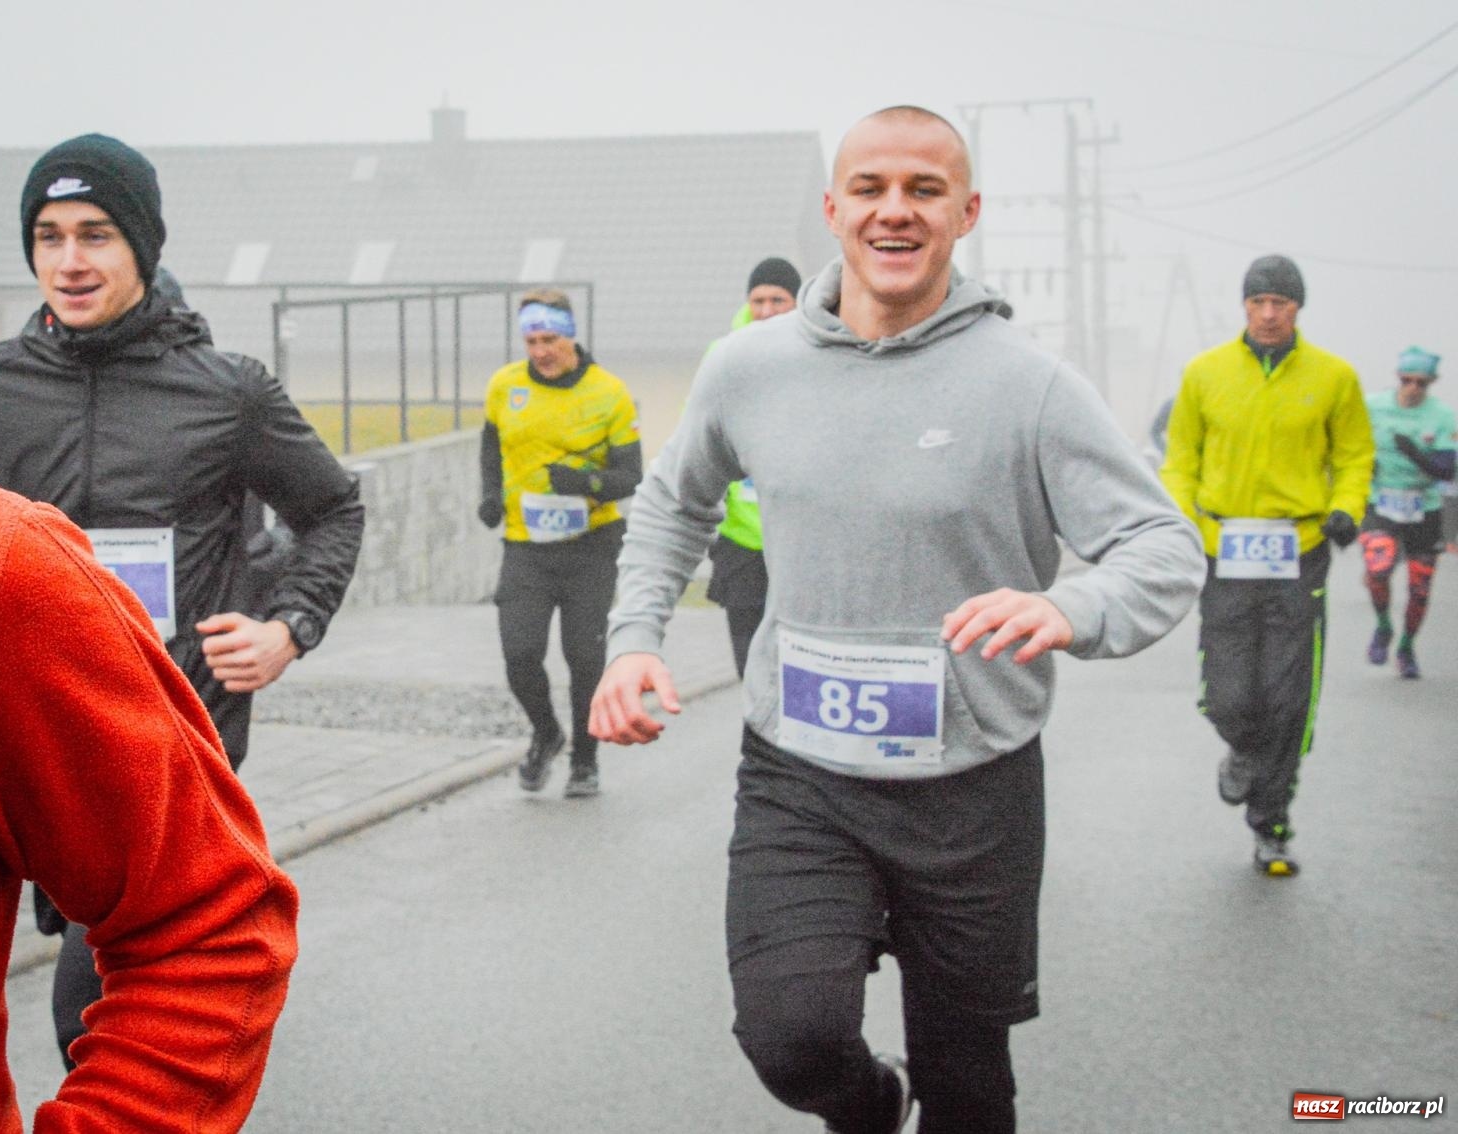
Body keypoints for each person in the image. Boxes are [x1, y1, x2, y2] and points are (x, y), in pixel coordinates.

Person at [589, 105, 1204, 1134]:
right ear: (832, 209)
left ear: (965, 212)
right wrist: (633, 640)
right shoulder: (750, 366)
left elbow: (1163, 547)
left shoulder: (1029, 385)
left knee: (967, 1088)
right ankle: (867, 1108)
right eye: (870, 188)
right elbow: (670, 503)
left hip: (972, 786)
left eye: (924, 190)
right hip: (799, 773)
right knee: (790, 1038)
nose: (895, 211)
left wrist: (1068, 604)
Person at [0, 133, 364, 1069]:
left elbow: (333, 507)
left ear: (143, 249)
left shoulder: (226, 391)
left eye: (97, 234)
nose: (70, 261)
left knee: (94, 1012)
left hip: (167, 738)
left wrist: (289, 627)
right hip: (26, 743)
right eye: (48, 235)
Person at [0, 433, 299, 1130]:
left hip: (147, 676)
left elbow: (213, 922)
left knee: (83, 994)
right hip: (11, 759)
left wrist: (290, 623)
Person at [1160, 254, 1373, 876]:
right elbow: (1180, 461)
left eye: (1282, 302)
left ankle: (1272, 826)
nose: (1270, 313)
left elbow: (1355, 455)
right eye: (1259, 302)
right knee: (1227, 694)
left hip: (1299, 552)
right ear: (1244, 307)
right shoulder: (1205, 374)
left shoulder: (1334, 378)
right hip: (1223, 551)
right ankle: (1242, 749)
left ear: (1298, 308)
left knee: (1289, 697)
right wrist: (1179, 519)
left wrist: (1344, 508)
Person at [478, 288, 642, 798]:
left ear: (570, 335)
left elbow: (630, 476)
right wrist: (489, 495)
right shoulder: (505, 386)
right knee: (519, 652)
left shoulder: (608, 392)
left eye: (549, 338)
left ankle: (585, 761)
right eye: (531, 340)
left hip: (591, 545)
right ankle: (547, 733)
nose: (540, 351)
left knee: (584, 658)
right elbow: (490, 443)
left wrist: (585, 484)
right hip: (526, 546)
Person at [706, 256, 802, 676]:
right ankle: (756, 738)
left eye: (777, 300)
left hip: (800, 542)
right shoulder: (724, 354)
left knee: (795, 661)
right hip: (742, 540)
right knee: (749, 663)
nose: (766, 310)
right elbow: (701, 438)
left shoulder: (818, 350)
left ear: (797, 303)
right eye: (758, 300)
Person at [1358, 346, 1456, 678]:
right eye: (1407, 380)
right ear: (1398, 379)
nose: (1413, 388)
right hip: (1380, 503)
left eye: (1421, 383)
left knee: (1420, 588)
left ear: (1431, 384)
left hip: (1423, 508)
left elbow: (1445, 469)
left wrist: (1413, 452)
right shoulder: (1372, 407)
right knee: (1378, 568)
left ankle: (1406, 647)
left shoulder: (1443, 416)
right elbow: (1349, 445)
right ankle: (1383, 625)